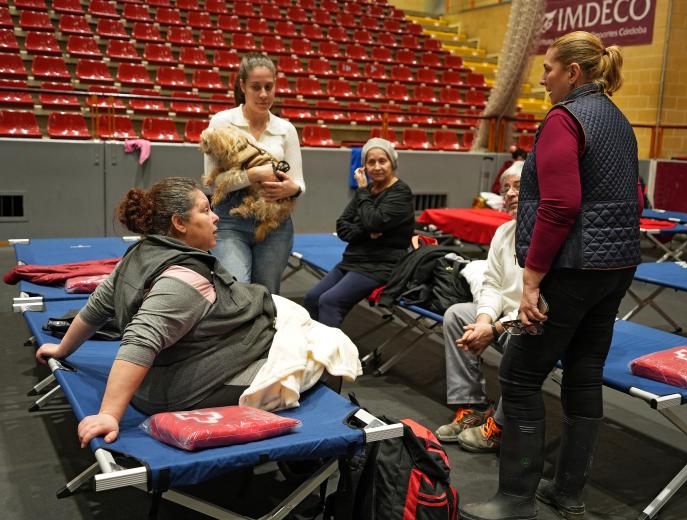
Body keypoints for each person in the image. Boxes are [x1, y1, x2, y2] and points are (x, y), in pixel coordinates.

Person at [459, 31, 642, 520]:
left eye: (549, 69)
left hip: (573, 269)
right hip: (616, 268)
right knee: (583, 377)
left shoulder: (566, 118)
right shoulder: (618, 119)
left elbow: (560, 206)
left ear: (573, 73)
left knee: (519, 376)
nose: (542, 78)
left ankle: (515, 501)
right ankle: (567, 493)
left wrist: (533, 279)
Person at [35, 178, 278, 448]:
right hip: (175, 392)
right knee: (312, 354)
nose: (215, 217)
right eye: (205, 210)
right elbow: (140, 340)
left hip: (156, 381)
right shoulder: (184, 278)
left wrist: (62, 350)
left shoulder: (140, 252)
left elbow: (96, 309)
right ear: (179, 223)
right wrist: (109, 414)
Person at [435, 163, 523, 454]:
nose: (510, 194)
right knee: (458, 315)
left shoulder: (550, 233)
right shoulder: (504, 232)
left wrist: (495, 327)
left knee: (521, 335)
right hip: (502, 318)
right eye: (505, 188)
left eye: (518, 186)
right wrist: (484, 320)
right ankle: (470, 406)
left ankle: (501, 423)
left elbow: (539, 305)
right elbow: (493, 285)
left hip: (533, 320)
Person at [204, 53, 304, 294]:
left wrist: (293, 189)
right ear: (242, 86)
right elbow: (211, 184)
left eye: (269, 87)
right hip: (228, 219)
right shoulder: (221, 122)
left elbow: (299, 181)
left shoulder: (286, 129)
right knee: (236, 291)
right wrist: (254, 175)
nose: (263, 94)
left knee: (266, 295)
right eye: (255, 87)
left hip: (275, 223)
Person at [303, 138, 414, 327]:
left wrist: (363, 193)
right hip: (353, 260)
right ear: (364, 166)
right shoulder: (369, 190)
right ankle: (315, 350)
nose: (377, 167)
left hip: (380, 264)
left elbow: (374, 222)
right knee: (312, 298)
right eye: (371, 162)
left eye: (382, 161)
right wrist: (368, 231)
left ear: (392, 163)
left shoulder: (400, 193)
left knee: (330, 301)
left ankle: (333, 355)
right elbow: (343, 227)